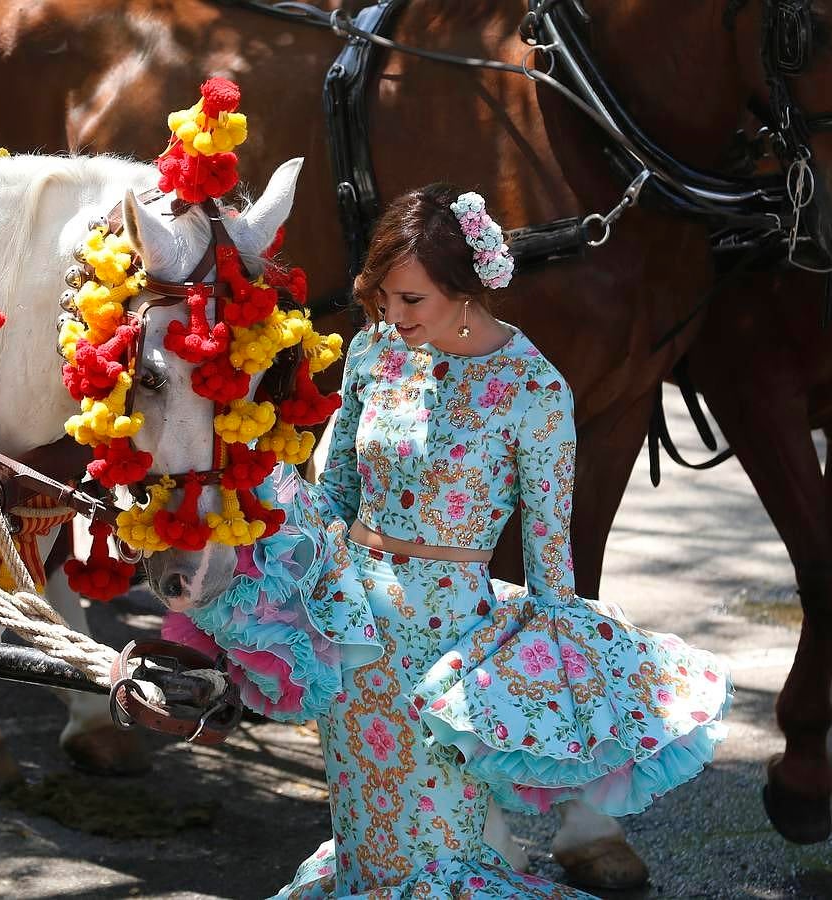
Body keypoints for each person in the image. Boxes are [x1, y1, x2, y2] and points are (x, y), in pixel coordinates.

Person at [166, 185, 733, 897]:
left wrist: (545, 688)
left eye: (412, 301)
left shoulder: (534, 388)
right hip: (355, 639)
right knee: (363, 848)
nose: (390, 317)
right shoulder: (374, 352)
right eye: (382, 297)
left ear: (464, 292)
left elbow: (550, 558)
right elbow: (335, 495)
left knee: (433, 859)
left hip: (446, 655)